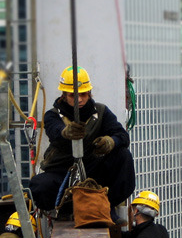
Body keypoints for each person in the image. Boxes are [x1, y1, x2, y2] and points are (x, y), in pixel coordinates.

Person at [29, 65, 135, 214]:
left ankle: (104, 205)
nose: (79, 99)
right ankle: (67, 209)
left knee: (123, 155)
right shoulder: (53, 115)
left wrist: (111, 142)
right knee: (40, 187)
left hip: (93, 169)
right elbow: (55, 132)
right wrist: (66, 133)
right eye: (73, 95)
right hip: (62, 170)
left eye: (83, 94)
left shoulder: (101, 112)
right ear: (64, 95)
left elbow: (122, 135)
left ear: (89, 93)